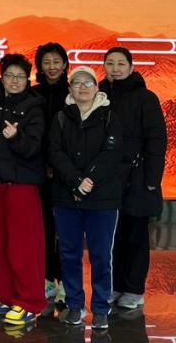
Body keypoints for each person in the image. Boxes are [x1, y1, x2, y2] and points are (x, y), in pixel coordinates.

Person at [48, 65, 122, 330]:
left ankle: (101, 308)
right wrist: (76, 180)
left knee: (101, 255)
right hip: (67, 198)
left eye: (87, 82)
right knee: (69, 254)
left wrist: (89, 180)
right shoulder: (60, 117)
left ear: (96, 87)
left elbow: (112, 153)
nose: (82, 87)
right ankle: (75, 305)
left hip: (102, 199)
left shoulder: (109, 117)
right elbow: (55, 152)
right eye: (77, 83)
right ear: (70, 88)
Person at [0, 53, 46, 327]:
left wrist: (16, 137)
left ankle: (29, 302)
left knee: (22, 247)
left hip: (21, 187)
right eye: (9, 76)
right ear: (1, 77)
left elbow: (35, 148)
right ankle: (4, 296)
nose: (14, 81)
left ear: (27, 79)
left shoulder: (34, 108)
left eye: (20, 76)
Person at [100, 46, 167, 310]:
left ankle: (134, 289)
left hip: (137, 177)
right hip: (108, 178)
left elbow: (157, 139)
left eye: (120, 64)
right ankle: (115, 285)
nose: (115, 69)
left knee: (136, 235)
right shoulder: (100, 96)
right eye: (110, 63)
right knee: (112, 235)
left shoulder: (145, 98)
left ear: (131, 67)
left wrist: (153, 178)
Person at [34, 41, 69, 304]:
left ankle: (66, 280)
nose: (52, 66)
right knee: (44, 227)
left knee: (67, 229)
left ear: (65, 64)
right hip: (38, 172)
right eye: (46, 62)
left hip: (66, 172)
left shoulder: (72, 92)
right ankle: (46, 278)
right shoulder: (33, 94)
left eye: (56, 61)